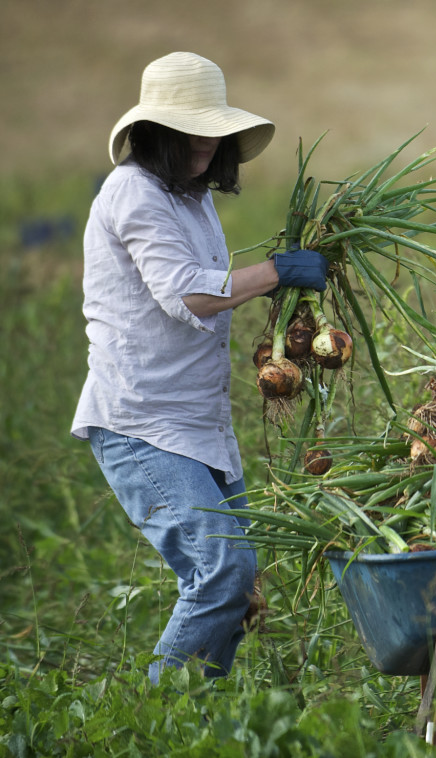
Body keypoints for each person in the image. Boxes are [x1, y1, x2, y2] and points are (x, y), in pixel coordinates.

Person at [71, 52, 327, 684]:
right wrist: (276, 273)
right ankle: (149, 724)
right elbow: (187, 293)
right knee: (224, 573)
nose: (205, 145)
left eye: (213, 132)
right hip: (140, 424)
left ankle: (199, 725)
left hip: (195, 424)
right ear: (153, 131)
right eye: (191, 131)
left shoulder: (192, 200)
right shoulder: (132, 192)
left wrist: (273, 286)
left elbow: (213, 284)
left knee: (236, 590)